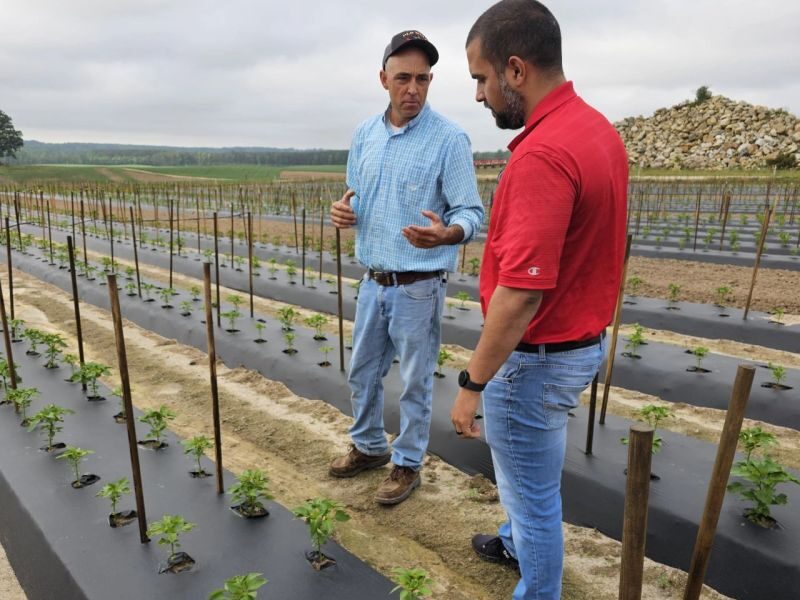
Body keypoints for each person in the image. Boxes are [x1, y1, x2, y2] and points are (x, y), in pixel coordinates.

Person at [451, 1, 628, 598]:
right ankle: (513, 538)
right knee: (530, 474)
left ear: (516, 70)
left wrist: (473, 384)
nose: (479, 94)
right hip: (578, 342)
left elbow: (521, 293)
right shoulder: (596, 130)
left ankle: (536, 582)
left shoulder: (543, 155)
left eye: (481, 77)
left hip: (536, 357)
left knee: (533, 498)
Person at [329, 30, 485, 506]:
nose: (412, 88)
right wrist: (342, 213)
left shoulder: (449, 139)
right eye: (402, 78)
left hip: (418, 285)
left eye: (421, 78)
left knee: (415, 382)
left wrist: (449, 233)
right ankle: (370, 447)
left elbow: (471, 214)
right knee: (362, 373)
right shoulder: (365, 134)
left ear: (431, 81)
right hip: (373, 280)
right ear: (384, 79)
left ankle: (408, 462)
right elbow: (355, 196)